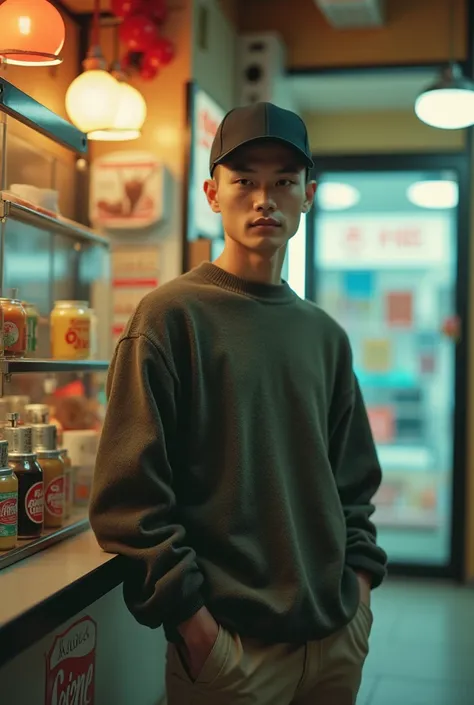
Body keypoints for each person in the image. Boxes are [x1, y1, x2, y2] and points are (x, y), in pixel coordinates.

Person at [89, 102, 387, 705]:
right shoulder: (170, 318)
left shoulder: (324, 335)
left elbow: (352, 484)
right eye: (244, 179)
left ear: (308, 195)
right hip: (231, 652)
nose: (264, 198)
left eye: (283, 181)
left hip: (333, 640)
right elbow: (130, 498)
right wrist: (193, 626)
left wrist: (358, 594)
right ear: (212, 191)